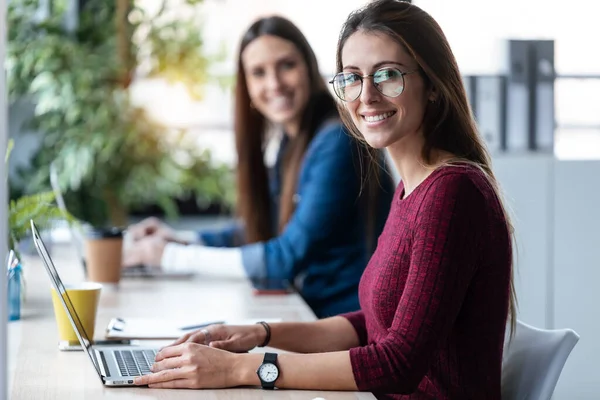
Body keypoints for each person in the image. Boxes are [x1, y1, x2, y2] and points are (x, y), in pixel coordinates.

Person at [133, 1, 517, 399]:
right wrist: (260, 333)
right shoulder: (412, 189)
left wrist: (243, 367)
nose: (367, 95)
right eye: (352, 78)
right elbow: (370, 324)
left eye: (387, 75)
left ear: (433, 85)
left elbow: (399, 363)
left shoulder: (452, 193)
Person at [123, 16, 394, 318]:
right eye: (259, 73)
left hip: (345, 325)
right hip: (313, 315)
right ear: (247, 86)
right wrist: (182, 238)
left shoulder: (337, 141)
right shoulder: (291, 144)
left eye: (286, 65)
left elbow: (285, 257)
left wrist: (171, 257)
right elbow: (264, 227)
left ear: (309, 67)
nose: (274, 84)